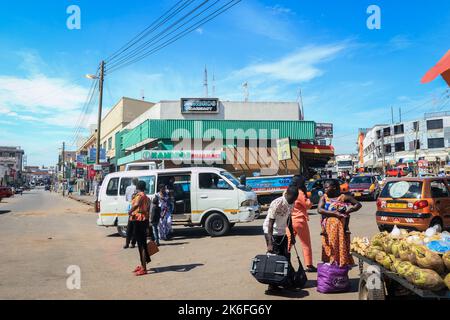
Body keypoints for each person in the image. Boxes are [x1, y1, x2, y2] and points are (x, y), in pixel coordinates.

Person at [262, 185, 299, 293]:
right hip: (271, 232)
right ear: (287, 194)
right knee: (275, 258)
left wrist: (291, 235)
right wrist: (269, 243)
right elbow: (270, 223)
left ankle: (284, 282)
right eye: (292, 199)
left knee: (285, 257)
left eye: (294, 199)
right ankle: (272, 286)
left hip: (282, 232)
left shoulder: (291, 203)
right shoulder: (277, 203)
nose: (293, 201)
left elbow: (289, 220)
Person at [317, 180, 361, 267]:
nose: (324, 189)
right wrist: (335, 214)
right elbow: (319, 210)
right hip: (328, 229)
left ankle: (341, 264)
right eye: (324, 187)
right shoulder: (324, 197)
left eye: (327, 187)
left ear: (334, 187)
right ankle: (333, 263)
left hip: (342, 227)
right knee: (332, 245)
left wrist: (348, 211)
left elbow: (358, 204)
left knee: (341, 244)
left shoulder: (343, 197)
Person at [287, 175, 317, 273]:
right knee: (306, 243)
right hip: (300, 221)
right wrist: (309, 199)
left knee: (288, 243)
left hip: (289, 221)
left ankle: (283, 261)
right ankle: (309, 265)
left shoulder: (287, 191)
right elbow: (308, 205)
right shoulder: (299, 193)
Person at [128, 181, 151, 276]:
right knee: (142, 244)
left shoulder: (140, 196)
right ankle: (142, 265)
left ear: (137, 187)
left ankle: (144, 268)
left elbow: (136, 205)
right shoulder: (147, 197)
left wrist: (130, 211)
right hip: (144, 220)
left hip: (139, 220)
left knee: (141, 245)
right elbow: (148, 209)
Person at [123, 178, 139, 249]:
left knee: (129, 230)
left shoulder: (128, 188)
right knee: (134, 230)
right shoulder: (138, 189)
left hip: (132, 213)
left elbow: (126, 198)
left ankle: (128, 243)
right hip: (135, 213)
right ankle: (131, 243)